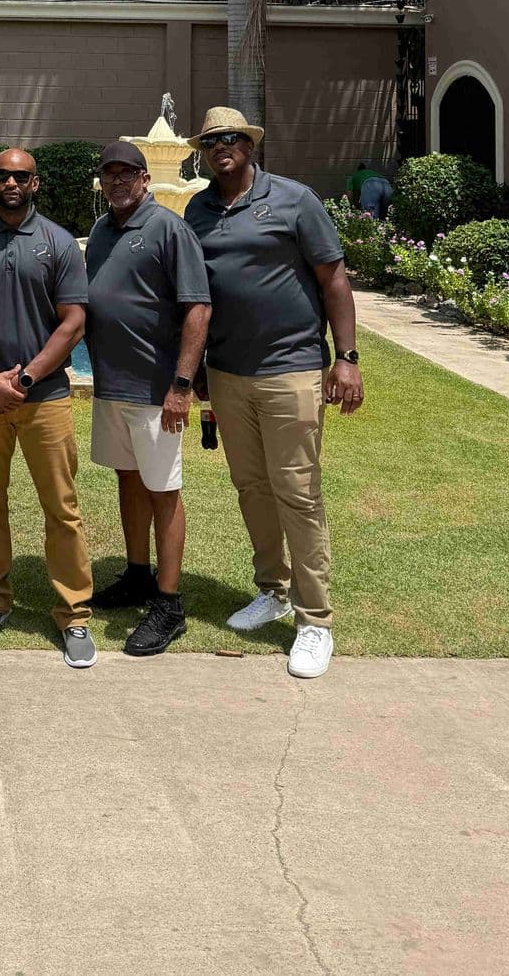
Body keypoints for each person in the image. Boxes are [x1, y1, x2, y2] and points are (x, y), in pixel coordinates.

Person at [185, 107, 365, 679]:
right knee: (252, 487)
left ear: (250, 145)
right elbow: (198, 294)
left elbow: (333, 277)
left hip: (291, 368)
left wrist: (348, 358)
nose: (222, 148)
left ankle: (315, 621)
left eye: (232, 139)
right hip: (230, 372)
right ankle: (274, 590)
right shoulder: (198, 208)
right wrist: (199, 370)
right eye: (212, 141)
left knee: (298, 492)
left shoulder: (294, 199)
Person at [0, 149, 95, 667]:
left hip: (45, 396)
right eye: (3, 174)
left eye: (21, 176)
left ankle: (74, 613)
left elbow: (73, 321)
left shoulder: (57, 243)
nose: (11, 182)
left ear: (36, 184)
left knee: (61, 507)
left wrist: (26, 378)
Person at [84, 141, 212, 656]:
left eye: (126, 173)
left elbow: (197, 308)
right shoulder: (100, 230)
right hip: (112, 386)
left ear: (144, 179)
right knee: (129, 478)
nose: (117, 182)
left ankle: (168, 602)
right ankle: (137, 573)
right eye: (109, 174)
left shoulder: (168, 228)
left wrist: (182, 386)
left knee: (163, 489)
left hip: (157, 391)